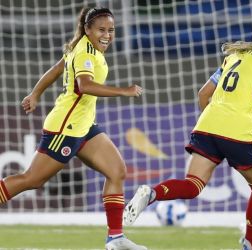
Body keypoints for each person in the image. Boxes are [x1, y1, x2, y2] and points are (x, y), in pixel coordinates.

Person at [123, 15, 252, 250]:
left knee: (193, 184)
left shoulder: (233, 56)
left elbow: (202, 94)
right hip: (239, 131)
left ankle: (153, 193)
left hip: (207, 126)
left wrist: (213, 125)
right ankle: (251, 244)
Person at [0, 7, 147, 250]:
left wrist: (35, 93)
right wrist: (124, 90)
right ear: (88, 29)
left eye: (111, 30)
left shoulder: (81, 47)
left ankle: (116, 238)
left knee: (116, 170)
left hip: (84, 126)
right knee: (32, 180)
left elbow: (57, 68)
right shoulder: (84, 52)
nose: (107, 35)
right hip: (65, 127)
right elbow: (85, 85)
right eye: (101, 30)